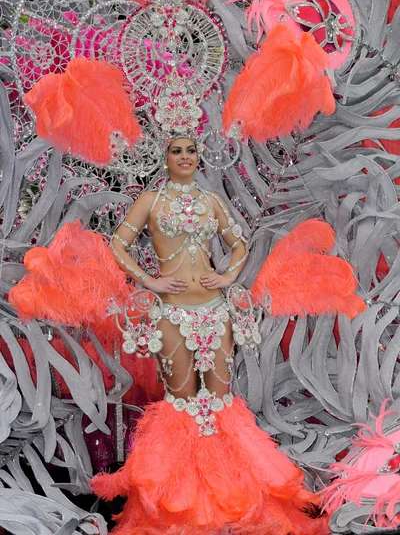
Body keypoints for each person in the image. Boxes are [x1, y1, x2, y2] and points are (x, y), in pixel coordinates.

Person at [90, 136, 330, 535]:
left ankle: (237, 503)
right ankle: (180, 509)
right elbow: (117, 244)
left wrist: (227, 276)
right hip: (171, 313)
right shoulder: (150, 201)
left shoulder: (211, 201)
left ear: (199, 157)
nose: (185, 157)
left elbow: (239, 245)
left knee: (219, 402)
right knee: (182, 406)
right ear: (164, 157)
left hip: (216, 312)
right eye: (177, 150)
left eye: (191, 150)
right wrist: (150, 281)